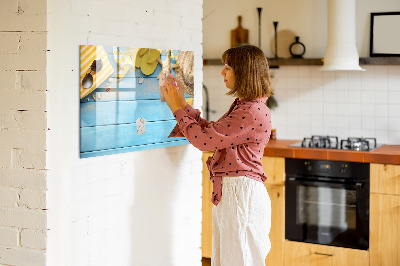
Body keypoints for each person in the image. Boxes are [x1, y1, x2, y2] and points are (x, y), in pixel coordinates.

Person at [161, 44, 273, 266]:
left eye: (228, 67)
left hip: (241, 196)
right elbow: (212, 133)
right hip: (236, 193)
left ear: (244, 72)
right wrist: (182, 104)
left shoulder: (250, 111)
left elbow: (204, 141)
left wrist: (176, 108)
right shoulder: (246, 106)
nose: (222, 72)